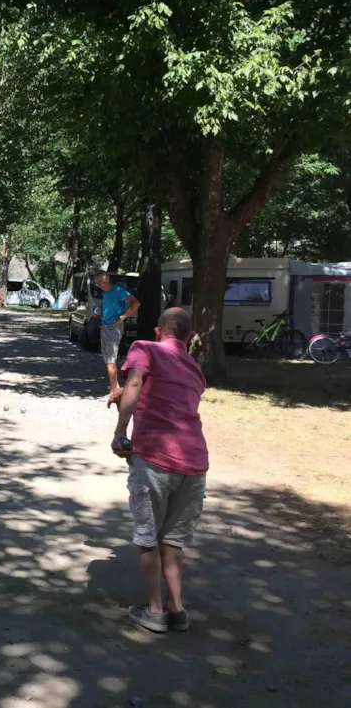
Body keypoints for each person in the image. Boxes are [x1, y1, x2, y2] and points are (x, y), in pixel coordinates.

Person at [111, 307, 208, 634]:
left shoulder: (145, 348)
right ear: (190, 337)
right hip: (195, 463)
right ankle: (177, 609)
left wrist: (120, 432)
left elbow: (136, 382)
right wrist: (123, 395)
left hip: (156, 458)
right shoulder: (194, 369)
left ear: (157, 332)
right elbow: (168, 399)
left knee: (148, 537)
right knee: (174, 540)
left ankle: (154, 610)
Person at [94, 270, 141, 406]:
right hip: (105, 327)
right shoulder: (106, 292)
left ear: (107, 278)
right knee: (109, 360)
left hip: (112, 328)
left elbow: (135, 303)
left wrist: (123, 317)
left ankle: (113, 392)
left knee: (110, 361)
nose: (99, 285)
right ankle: (116, 388)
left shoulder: (118, 291)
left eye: (100, 282)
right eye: (97, 283)